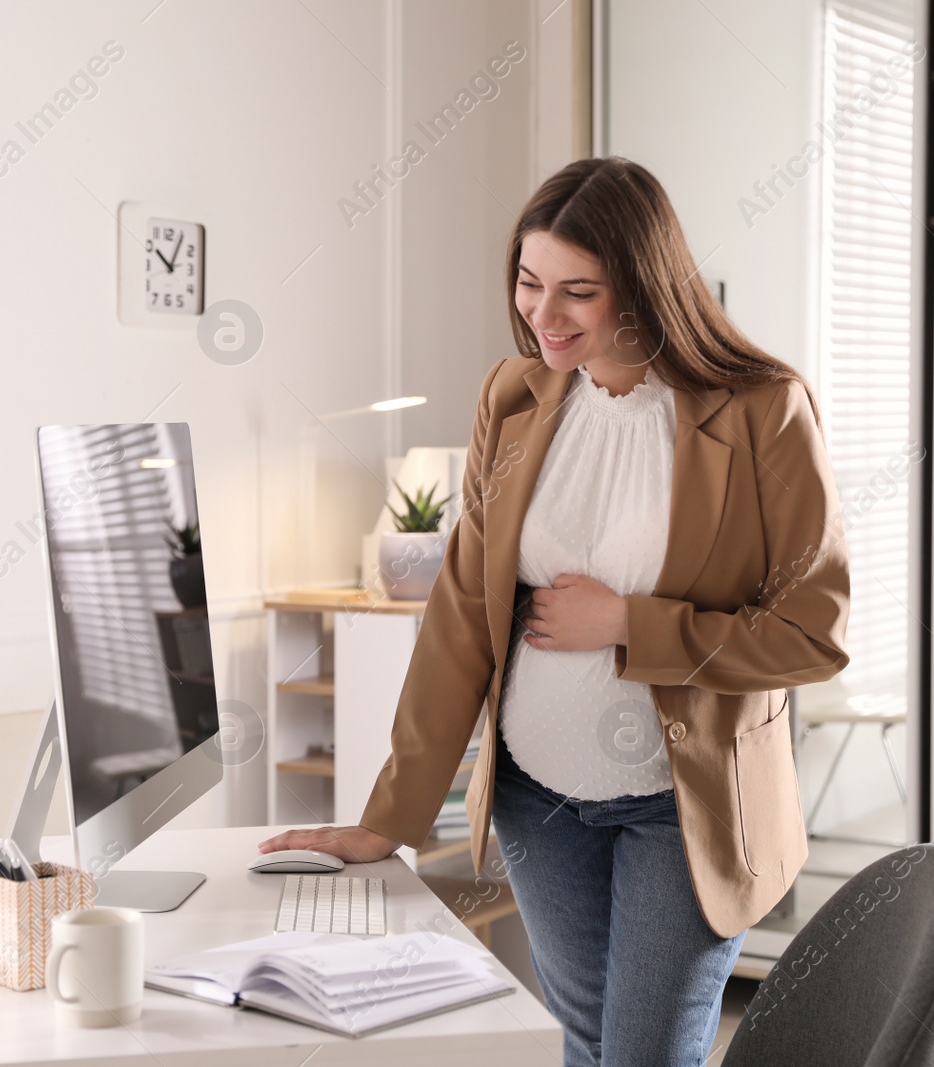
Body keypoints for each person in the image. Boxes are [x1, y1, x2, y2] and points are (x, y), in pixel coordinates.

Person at [258, 156, 851, 1065]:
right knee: (582, 1038)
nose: (544, 314)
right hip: (538, 801)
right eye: (530, 283)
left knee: (644, 1056)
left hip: (679, 806)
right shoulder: (515, 397)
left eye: (578, 292)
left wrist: (630, 625)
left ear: (646, 288)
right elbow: (461, 611)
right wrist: (394, 814)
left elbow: (814, 630)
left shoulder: (762, 412)